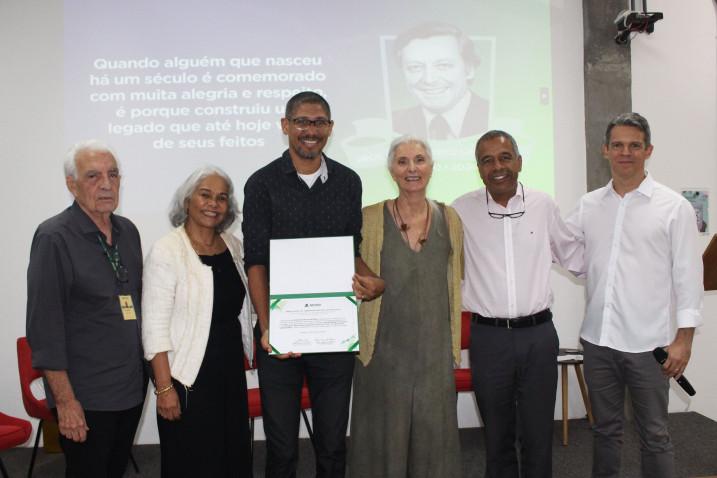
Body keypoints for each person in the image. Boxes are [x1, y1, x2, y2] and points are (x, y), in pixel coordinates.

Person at [242, 91, 384, 478]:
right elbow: (255, 261)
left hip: (333, 334)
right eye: (302, 122)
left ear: (330, 129)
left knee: (333, 444)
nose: (311, 130)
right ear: (285, 126)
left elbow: (349, 248)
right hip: (279, 335)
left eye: (319, 122)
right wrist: (269, 325)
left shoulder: (348, 182)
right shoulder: (261, 184)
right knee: (283, 448)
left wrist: (372, 280)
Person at [566, 112, 704, 478]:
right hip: (598, 341)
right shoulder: (588, 205)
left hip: (650, 346)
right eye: (618, 145)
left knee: (655, 435)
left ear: (648, 150)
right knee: (604, 432)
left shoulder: (673, 207)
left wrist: (684, 340)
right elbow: (566, 249)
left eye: (634, 145)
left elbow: (689, 276)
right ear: (605, 150)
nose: (625, 152)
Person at [451, 130, 581, 478]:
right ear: (478, 168)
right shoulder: (460, 210)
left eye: (505, 157)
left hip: (538, 336)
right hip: (488, 338)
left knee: (539, 434)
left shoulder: (544, 205)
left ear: (519, 161)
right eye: (487, 160)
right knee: (497, 437)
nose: (498, 167)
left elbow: (575, 257)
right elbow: (442, 269)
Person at [26, 140, 146, 478]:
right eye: (93, 176)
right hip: (86, 395)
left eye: (113, 174)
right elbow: (44, 327)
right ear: (71, 184)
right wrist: (65, 401)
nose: (106, 184)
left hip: (129, 388)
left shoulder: (127, 232)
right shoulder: (54, 238)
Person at [348, 136, 464, 477]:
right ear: (390, 169)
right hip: (382, 354)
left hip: (434, 353)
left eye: (419, 160)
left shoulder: (451, 218)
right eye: (402, 162)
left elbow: (454, 280)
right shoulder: (367, 219)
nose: (411, 168)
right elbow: (350, 270)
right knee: (381, 441)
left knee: (435, 442)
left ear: (431, 166)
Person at [142, 166, 254, 477]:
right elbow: (153, 327)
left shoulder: (233, 246)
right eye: (205, 195)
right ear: (187, 200)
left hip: (229, 371)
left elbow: (246, 307)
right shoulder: (167, 250)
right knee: (193, 461)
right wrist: (164, 389)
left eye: (221, 198)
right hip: (188, 377)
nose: (213, 204)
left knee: (232, 455)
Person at [392, 22, 489, 140]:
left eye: (443, 65)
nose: (429, 80)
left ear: (469, 70)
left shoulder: (494, 116)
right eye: (415, 67)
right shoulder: (393, 122)